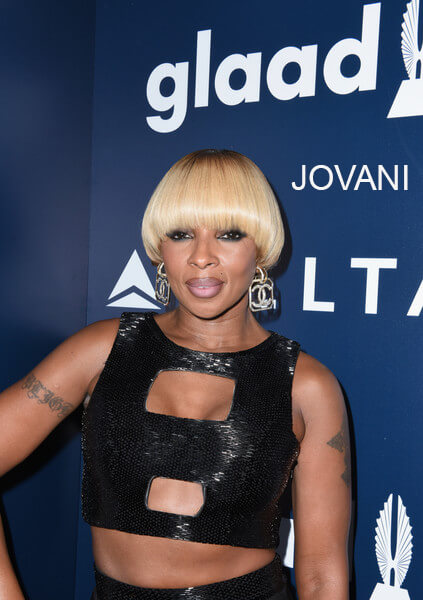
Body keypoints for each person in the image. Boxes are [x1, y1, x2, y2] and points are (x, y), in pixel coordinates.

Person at [0, 149, 351, 600]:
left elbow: (322, 574)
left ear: (261, 249)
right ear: (159, 249)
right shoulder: (99, 351)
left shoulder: (307, 386)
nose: (202, 257)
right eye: (182, 234)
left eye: (229, 233)